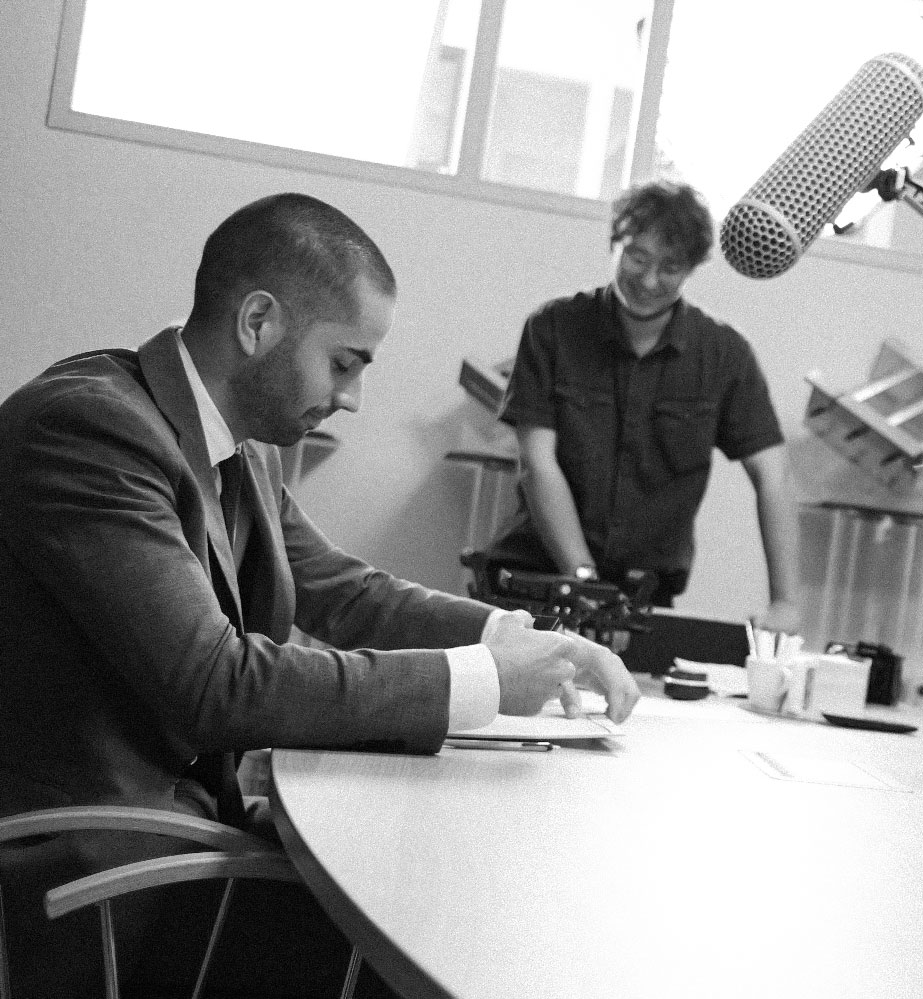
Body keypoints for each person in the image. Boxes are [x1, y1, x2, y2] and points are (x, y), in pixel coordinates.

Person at [0, 193, 640, 998]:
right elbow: (216, 684)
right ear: (258, 322)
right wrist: (482, 681)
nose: (352, 397)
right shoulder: (89, 429)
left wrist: (523, 637)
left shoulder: (241, 449)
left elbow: (344, 592)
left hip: (174, 836)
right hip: (86, 872)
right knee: (427, 936)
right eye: (344, 362)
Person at [486, 180, 801, 634]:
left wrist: (785, 602)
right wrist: (583, 582)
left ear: (691, 269)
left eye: (671, 267)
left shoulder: (724, 354)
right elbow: (537, 464)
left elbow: (774, 476)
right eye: (638, 257)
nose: (650, 281)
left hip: (644, 599)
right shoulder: (553, 328)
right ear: (614, 243)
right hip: (536, 580)